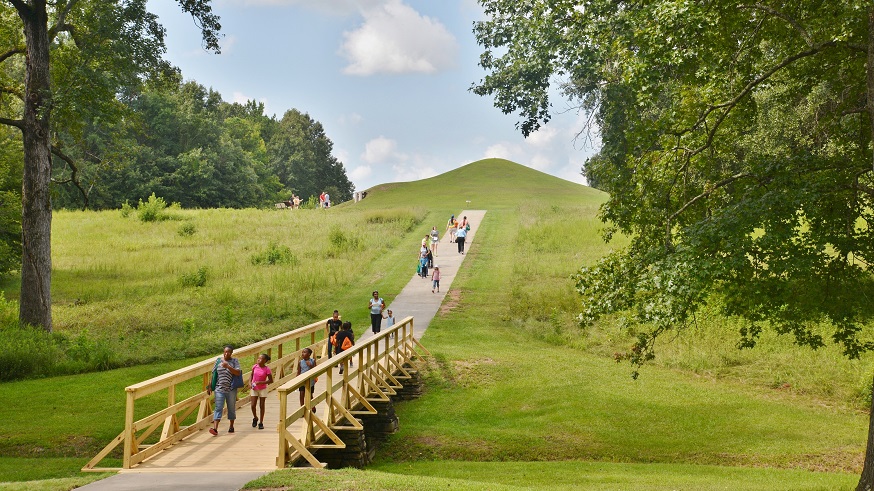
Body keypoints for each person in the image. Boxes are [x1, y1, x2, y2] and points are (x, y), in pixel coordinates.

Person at [207, 345, 242, 436]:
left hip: (231, 389)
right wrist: (210, 386)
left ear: (231, 353)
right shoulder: (218, 361)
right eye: (225, 352)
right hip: (219, 389)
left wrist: (228, 367)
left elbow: (238, 372)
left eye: (228, 352)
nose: (226, 353)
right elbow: (213, 374)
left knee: (231, 408)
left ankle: (231, 426)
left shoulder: (234, 361)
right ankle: (215, 429)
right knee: (218, 407)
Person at [249, 354, 274, 430]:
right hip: (254, 388)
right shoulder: (255, 367)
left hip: (262, 388)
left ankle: (261, 422)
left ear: (265, 361)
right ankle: (255, 417)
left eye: (261, 358)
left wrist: (261, 382)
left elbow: (271, 380)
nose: (259, 359)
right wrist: (249, 383)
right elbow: (251, 375)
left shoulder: (267, 369)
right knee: (253, 405)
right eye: (258, 358)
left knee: (262, 405)